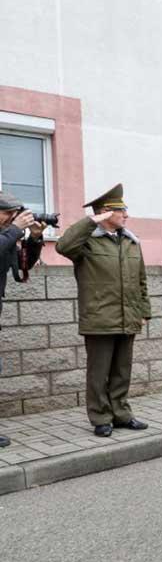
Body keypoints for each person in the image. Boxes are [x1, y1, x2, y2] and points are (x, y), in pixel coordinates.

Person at [55, 184, 151, 437]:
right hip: (100, 318)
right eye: (122, 210)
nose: (127, 215)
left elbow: (141, 280)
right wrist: (91, 221)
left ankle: (121, 414)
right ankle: (100, 417)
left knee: (122, 371)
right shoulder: (87, 243)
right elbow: (63, 246)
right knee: (99, 373)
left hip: (127, 316)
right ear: (106, 212)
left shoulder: (131, 243)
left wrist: (143, 312)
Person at [0, 192, 47, 448]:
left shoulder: (7, 235)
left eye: (14, 213)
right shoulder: (8, 234)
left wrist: (35, 237)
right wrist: (15, 230)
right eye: (7, 212)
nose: (11, 218)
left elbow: (22, 265)